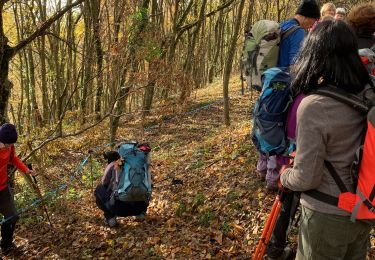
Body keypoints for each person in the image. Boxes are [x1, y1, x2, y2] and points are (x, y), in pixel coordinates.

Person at [280, 19, 373, 259]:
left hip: (326, 217)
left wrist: (285, 175)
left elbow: (306, 177)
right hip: (362, 212)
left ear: (315, 55)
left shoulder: (315, 106)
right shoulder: (368, 93)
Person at [257, 0, 320, 191]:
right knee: (280, 129)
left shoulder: (283, 25)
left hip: (269, 83)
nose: (312, 25)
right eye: (312, 20)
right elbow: (295, 64)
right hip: (284, 86)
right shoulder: (298, 32)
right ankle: (272, 177)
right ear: (307, 16)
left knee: (266, 123)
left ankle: (261, 167)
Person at [0, 123, 37, 254]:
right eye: (6, 144)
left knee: (12, 217)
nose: (9, 147)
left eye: (11, 145)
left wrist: (27, 170)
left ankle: (6, 244)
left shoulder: (10, 146)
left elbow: (14, 159)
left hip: (3, 187)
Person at [95, 151, 149, 227]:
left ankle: (110, 218)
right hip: (140, 206)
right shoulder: (138, 167)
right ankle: (141, 214)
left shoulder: (113, 165)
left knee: (99, 189)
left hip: (120, 209)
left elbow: (104, 182)